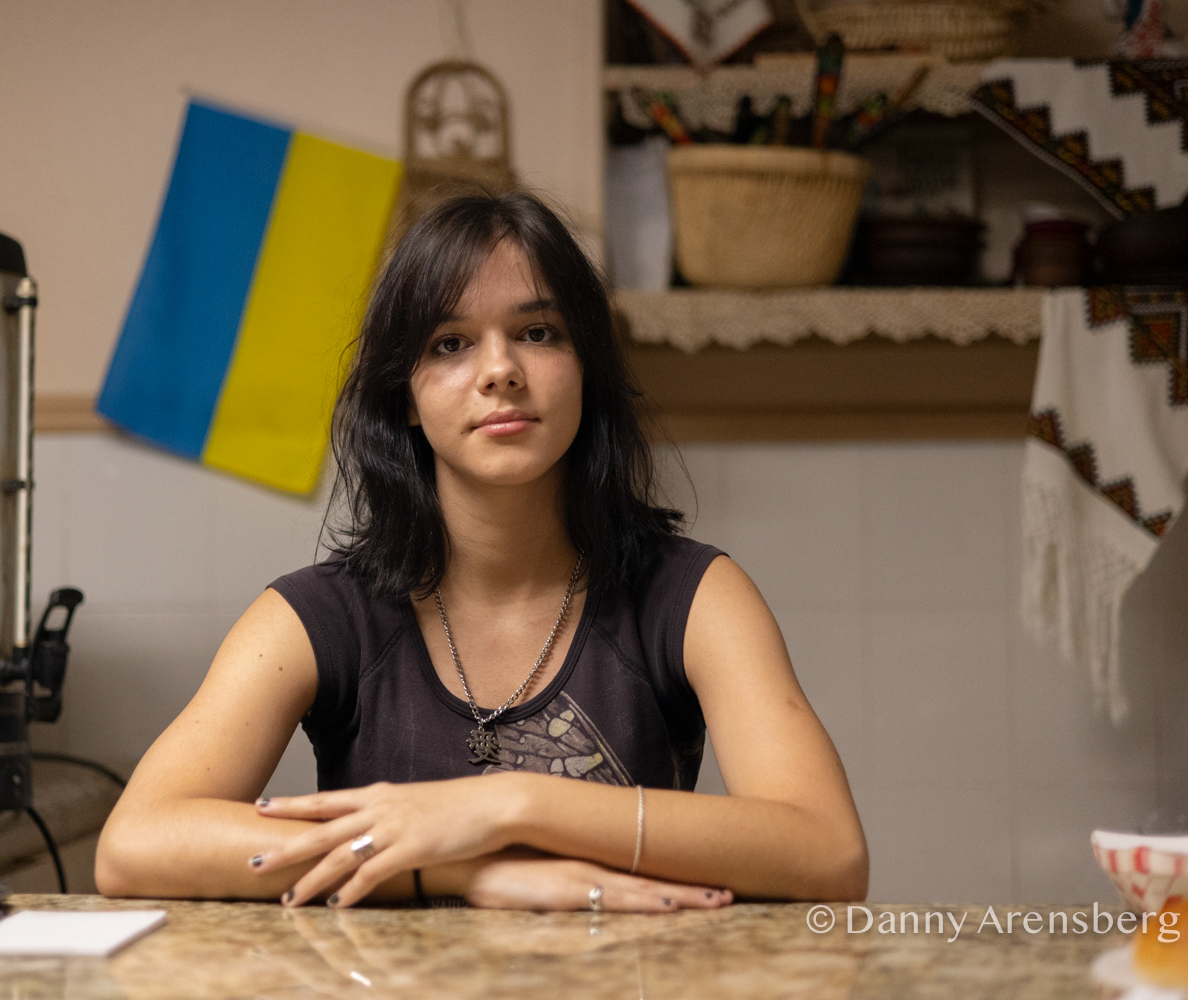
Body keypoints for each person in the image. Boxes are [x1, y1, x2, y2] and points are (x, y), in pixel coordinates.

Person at [95, 191, 867, 911]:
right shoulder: (318, 614)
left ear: (586, 368)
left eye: (538, 333)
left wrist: (508, 804)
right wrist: (465, 869)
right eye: (451, 343)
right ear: (405, 395)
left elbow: (829, 853)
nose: (500, 370)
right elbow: (134, 847)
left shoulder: (696, 594)